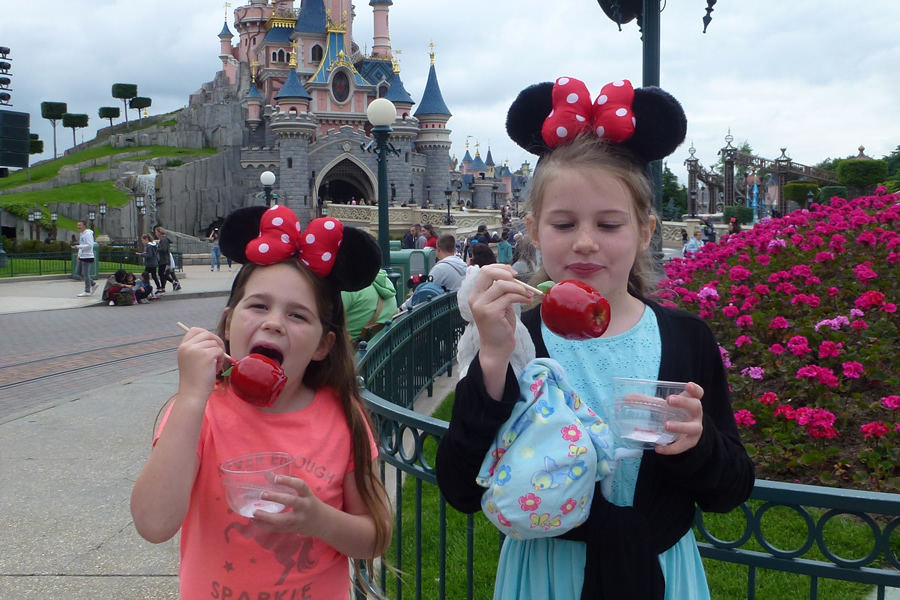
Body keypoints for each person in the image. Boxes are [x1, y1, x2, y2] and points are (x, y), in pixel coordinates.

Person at [435, 76, 754, 600]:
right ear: (534, 230)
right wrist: (492, 360)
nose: (585, 242)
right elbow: (460, 488)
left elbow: (731, 488)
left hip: (661, 571)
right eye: (564, 224)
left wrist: (697, 443)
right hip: (547, 574)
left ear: (645, 231)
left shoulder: (685, 336)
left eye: (609, 224)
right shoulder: (517, 337)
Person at [131, 206, 392, 598]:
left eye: (298, 315)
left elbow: (375, 538)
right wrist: (189, 398)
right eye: (257, 306)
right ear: (229, 322)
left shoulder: (343, 416)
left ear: (323, 345)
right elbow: (153, 524)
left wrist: (318, 519)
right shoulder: (199, 412)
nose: (273, 322)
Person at [341, 268, 399, 339]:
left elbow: (326, 323)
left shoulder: (348, 286)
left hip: (353, 348)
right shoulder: (385, 281)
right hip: (382, 347)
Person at [71, 220, 97, 297]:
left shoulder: (88, 234)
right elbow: (82, 244)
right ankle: (92, 283)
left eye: (80, 225)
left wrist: (78, 247)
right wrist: (79, 254)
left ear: (84, 225)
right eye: (78, 225)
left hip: (88, 255)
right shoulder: (82, 234)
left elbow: (89, 245)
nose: (78, 227)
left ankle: (87, 290)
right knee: (78, 271)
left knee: (85, 273)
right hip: (82, 255)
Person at [154, 226, 182, 292]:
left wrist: (157, 249)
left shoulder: (163, 239)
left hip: (163, 259)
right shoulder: (164, 239)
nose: (155, 234)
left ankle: (173, 282)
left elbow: (164, 249)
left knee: (161, 273)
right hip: (164, 259)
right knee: (161, 273)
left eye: (156, 232)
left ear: (159, 232)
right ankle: (164, 287)